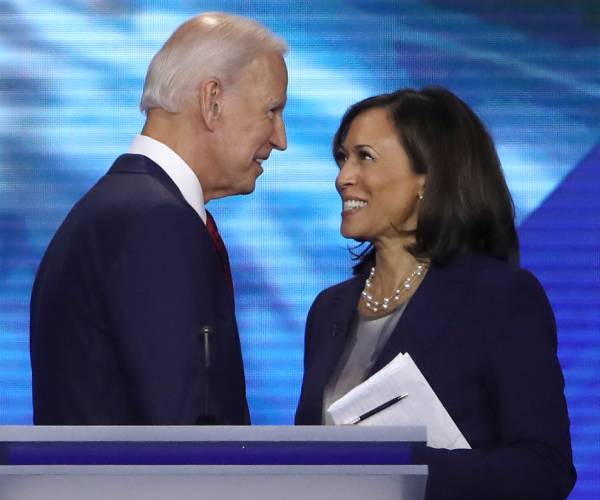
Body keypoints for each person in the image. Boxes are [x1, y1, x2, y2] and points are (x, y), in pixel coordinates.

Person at [295, 87, 575, 498]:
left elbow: (544, 467)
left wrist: (401, 466)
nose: (343, 178)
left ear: (428, 177)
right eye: (342, 158)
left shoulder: (499, 298)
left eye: (364, 157)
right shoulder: (329, 309)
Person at [30, 12, 288, 425]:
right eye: (271, 111)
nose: (281, 139)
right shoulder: (154, 223)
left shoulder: (113, 208)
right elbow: (183, 437)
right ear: (212, 101)